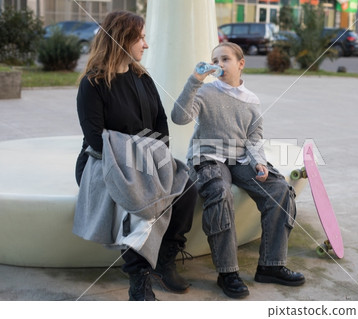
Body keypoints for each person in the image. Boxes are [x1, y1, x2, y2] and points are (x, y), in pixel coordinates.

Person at [74, 10, 197, 301]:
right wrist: (141, 161)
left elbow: (161, 126)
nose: (146, 45)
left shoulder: (143, 79)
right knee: (139, 195)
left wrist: (152, 160)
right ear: (121, 40)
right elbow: (97, 139)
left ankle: (164, 259)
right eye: (140, 38)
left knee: (187, 187)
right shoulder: (92, 85)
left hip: (146, 159)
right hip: (103, 161)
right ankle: (138, 278)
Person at [172, 42, 305, 299]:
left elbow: (254, 138)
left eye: (225, 59)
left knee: (279, 189)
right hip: (208, 156)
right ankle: (228, 272)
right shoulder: (205, 92)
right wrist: (194, 80)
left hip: (240, 158)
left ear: (241, 63)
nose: (219, 64)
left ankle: (271, 265)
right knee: (220, 192)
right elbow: (179, 118)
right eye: (215, 60)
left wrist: (259, 162)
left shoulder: (251, 100)